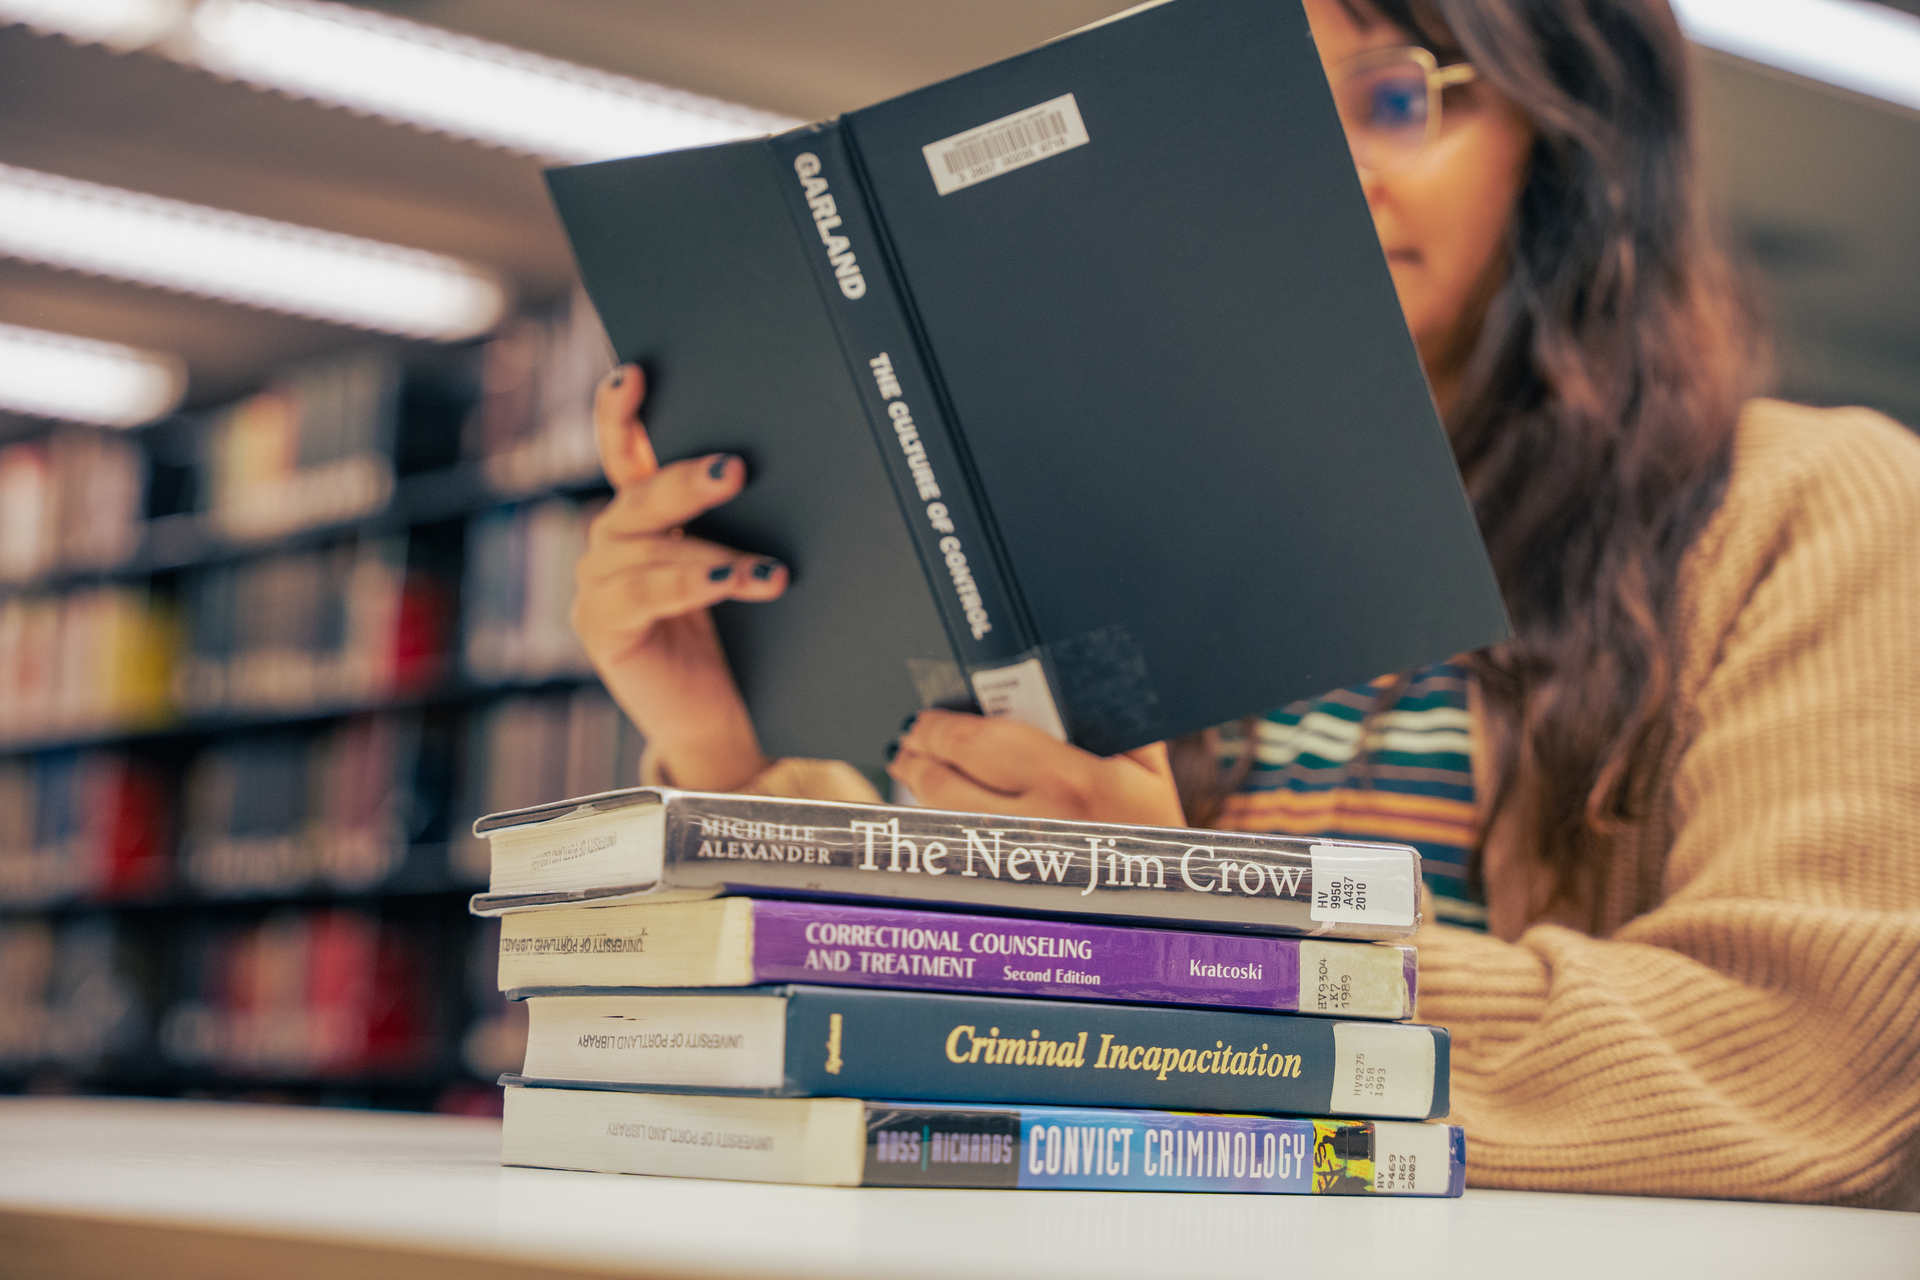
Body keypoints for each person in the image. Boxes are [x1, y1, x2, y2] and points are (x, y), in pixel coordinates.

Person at [571, 0, 1920, 1207]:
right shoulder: (1132, 518)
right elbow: (929, 1020)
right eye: (1268, 114)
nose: (1323, 173)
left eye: (1395, 99)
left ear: (1576, 147)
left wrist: (1202, 943)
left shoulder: (1811, 503)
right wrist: (725, 750)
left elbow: (1810, 1050)